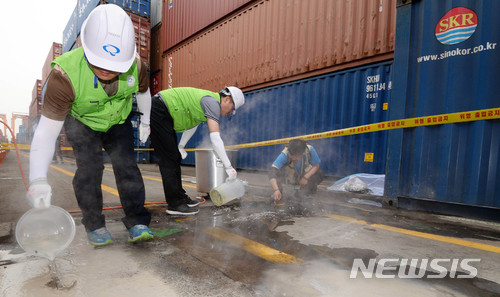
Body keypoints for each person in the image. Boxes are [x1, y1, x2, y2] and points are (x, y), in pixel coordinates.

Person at [26, 4, 154, 246]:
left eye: (113, 65)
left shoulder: (137, 66)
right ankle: (95, 225)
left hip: (119, 120)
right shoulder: (64, 76)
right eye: (99, 63)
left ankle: (138, 221)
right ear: (85, 47)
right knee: (89, 171)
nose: (106, 69)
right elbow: (46, 133)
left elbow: (145, 93)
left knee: (127, 167)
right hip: (82, 122)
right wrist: (38, 180)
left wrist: (146, 121)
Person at [150, 87, 245, 215]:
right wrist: (228, 167)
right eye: (232, 109)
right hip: (160, 108)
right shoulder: (213, 103)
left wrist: (181, 145)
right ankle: (175, 204)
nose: (229, 113)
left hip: (164, 112)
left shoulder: (209, 101)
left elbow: (192, 124)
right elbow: (215, 139)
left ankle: (180, 197)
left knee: (175, 156)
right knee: (169, 159)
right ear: (227, 99)